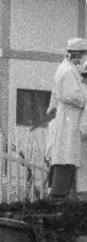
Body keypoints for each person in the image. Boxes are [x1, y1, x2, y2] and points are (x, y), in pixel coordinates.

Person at [44, 37, 87, 198]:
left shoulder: (65, 69)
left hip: (67, 118)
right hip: (69, 118)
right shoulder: (68, 71)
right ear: (79, 54)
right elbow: (72, 96)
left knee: (66, 155)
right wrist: (84, 98)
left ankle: (60, 192)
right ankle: (58, 194)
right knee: (66, 156)